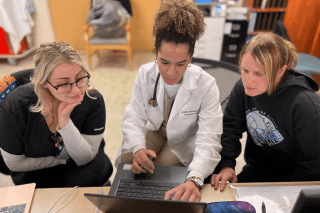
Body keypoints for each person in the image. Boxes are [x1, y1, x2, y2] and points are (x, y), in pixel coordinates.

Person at [115, 0, 223, 202]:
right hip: (155, 128)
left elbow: (209, 138)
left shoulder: (206, 85)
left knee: (161, 171)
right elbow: (134, 115)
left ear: (190, 57)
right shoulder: (145, 73)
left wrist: (195, 179)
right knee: (130, 160)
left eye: (181, 64)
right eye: (164, 62)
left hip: (183, 138)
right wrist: (138, 148)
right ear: (155, 53)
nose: (171, 72)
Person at [211, 33, 320, 192]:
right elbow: (229, 127)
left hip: (299, 177)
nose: (248, 80)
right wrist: (227, 166)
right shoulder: (243, 88)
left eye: (258, 74)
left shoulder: (305, 105)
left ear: (281, 71)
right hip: (260, 168)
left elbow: (316, 163)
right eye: (245, 70)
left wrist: (279, 189)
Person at [0, 41, 113, 188]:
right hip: (33, 166)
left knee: (86, 182)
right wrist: (63, 158)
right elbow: (15, 164)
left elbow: (85, 157)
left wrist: (65, 122)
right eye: (64, 83)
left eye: (80, 78)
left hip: (80, 158)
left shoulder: (92, 99)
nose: (76, 91)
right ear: (43, 82)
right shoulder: (15, 106)